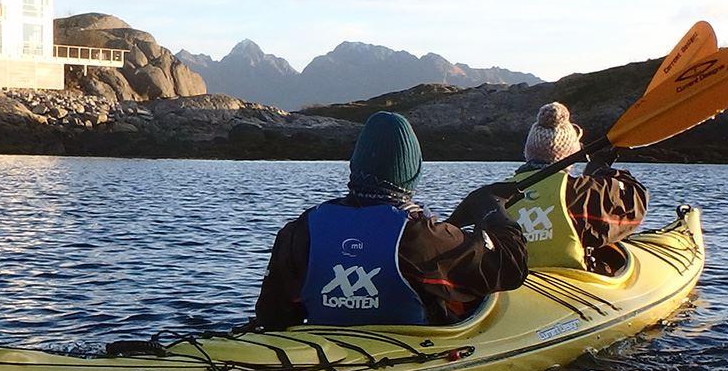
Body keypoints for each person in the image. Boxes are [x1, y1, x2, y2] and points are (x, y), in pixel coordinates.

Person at [253, 111, 528, 328]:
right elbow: (511, 268)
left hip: (324, 348)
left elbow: (271, 316)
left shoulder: (301, 229)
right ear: (411, 175)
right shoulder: (421, 236)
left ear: (356, 165)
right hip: (405, 350)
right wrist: (494, 211)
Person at [504, 102, 649, 275]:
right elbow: (636, 201)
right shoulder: (582, 191)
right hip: (570, 281)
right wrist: (600, 169)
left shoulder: (496, 194)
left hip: (515, 284)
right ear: (573, 153)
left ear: (528, 152)